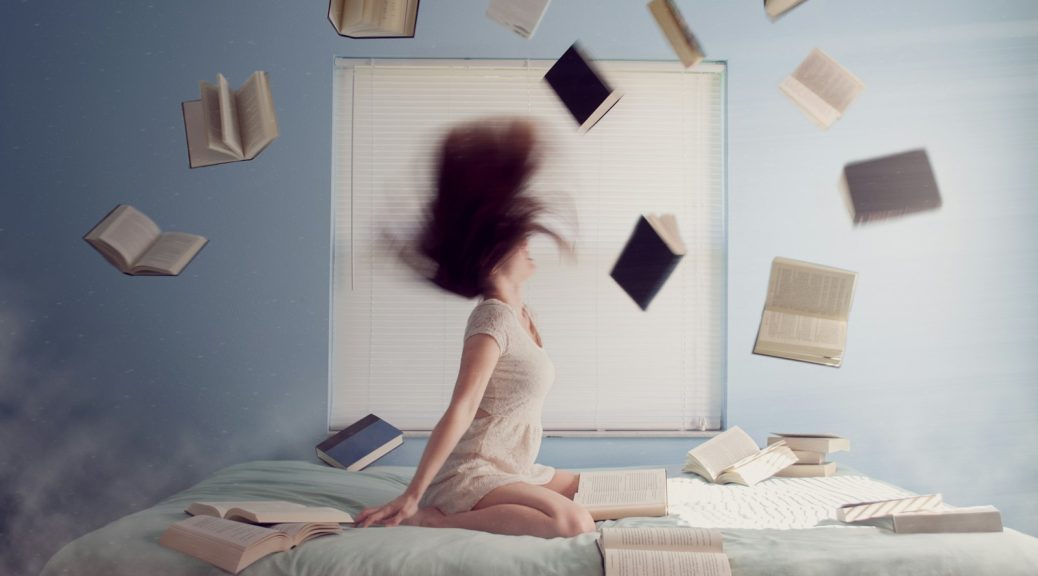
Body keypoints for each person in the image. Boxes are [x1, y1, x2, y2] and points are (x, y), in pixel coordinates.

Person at [354, 119, 594, 539]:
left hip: (512, 467)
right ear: (494, 256)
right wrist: (413, 494)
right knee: (573, 523)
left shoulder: (524, 314)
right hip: (474, 471)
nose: (528, 245)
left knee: (594, 491)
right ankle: (433, 517)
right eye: (520, 242)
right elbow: (461, 408)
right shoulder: (492, 319)